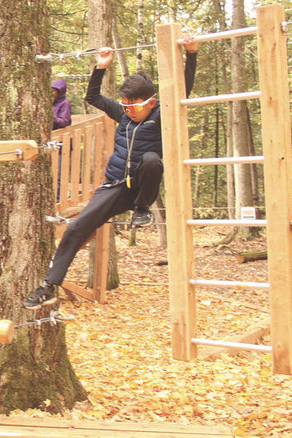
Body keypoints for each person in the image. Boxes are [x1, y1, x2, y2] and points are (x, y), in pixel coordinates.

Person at [23, 39, 198, 309]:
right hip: (115, 186)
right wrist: (101, 67)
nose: (129, 112)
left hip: (142, 186)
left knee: (151, 159)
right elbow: (92, 98)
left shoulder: (162, 115)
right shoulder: (124, 115)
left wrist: (191, 54)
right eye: (125, 107)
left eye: (134, 107)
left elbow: (183, 90)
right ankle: (49, 286)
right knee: (76, 228)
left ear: (151, 102)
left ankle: (142, 210)